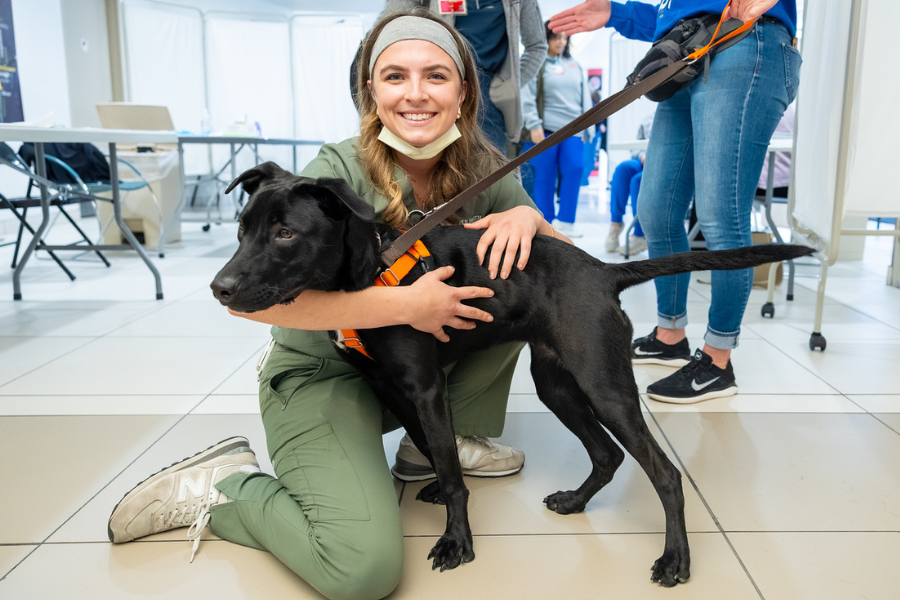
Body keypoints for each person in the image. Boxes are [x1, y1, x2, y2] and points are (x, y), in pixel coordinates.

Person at [107, 10, 572, 600]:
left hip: (406, 370)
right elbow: (255, 304)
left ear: (463, 94)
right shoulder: (335, 171)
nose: (416, 94)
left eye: (436, 76)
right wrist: (406, 305)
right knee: (362, 571)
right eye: (395, 76)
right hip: (323, 370)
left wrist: (531, 217)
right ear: (370, 92)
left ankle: (429, 445)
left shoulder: (482, 167)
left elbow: (565, 268)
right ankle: (227, 487)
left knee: (511, 279)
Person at [550, 0, 800, 403]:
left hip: (746, 39)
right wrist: (617, 14)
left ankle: (718, 361)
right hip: (688, 50)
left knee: (721, 215)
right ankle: (670, 335)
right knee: (656, 211)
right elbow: (681, 11)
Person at [380, 0, 547, 155]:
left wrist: (506, 86)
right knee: (436, 170)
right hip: (438, 91)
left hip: (489, 99)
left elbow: (537, 46)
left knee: (491, 173)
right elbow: (386, 31)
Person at [521, 22, 594, 238]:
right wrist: (534, 124)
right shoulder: (536, 63)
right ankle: (546, 223)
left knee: (575, 169)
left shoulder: (574, 65)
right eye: (556, 37)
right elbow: (527, 93)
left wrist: (587, 128)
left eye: (564, 38)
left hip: (573, 130)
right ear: (546, 38)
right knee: (544, 176)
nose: (561, 42)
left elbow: (585, 98)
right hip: (545, 130)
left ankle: (567, 221)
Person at [606, 112, 653, 254]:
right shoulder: (650, 118)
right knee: (622, 169)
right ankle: (616, 223)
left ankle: (640, 234)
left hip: (663, 161)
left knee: (637, 180)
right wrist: (642, 155)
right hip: (644, 158)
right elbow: (637, 144)